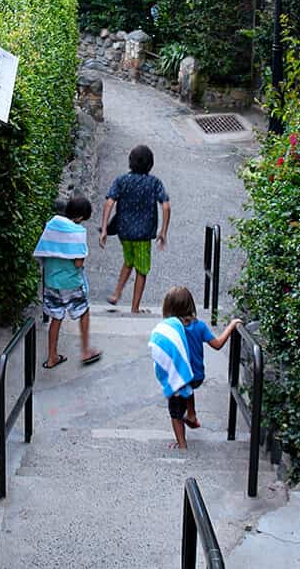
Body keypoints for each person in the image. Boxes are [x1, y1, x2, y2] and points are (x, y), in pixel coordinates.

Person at [99, 144, 170, 313]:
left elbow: (109, 201)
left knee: (129, 260)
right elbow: (166, 206)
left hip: (124, 232)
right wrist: (163, 232)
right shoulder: (154, 183)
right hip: (144, 234)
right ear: (150, 164)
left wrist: (104, 229)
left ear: (130, 162)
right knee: (142, 269)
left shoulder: (121, 180)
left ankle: (116, 294)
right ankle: (134, 308)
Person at [33, 195, 102, 369]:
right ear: (79, 217)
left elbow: (43, 252)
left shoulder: (52, 225)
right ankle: (86, 351)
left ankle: (51, 357)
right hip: (70, 283)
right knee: (83, 312)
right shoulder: (77, 232)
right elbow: (78, 262)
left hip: (51, 282)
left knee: (56, 318)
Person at [165, 286, 242, 429]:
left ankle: (181, 443)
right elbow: (217, 344)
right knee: (189, 387)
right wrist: (231, 326)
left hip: (181, 376)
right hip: (197, 376)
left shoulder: (171, 329)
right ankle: (192, 414)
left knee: (177, 406)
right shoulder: (199, 326)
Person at [148, 291, 194, 450]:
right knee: (182, 408)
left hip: (176, 383)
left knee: (176, 416)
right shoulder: (186, 326)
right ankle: (192, 417)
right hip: (186, 378)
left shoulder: (170, 327)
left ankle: (182, 445)